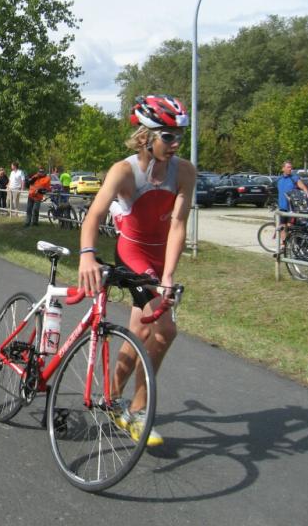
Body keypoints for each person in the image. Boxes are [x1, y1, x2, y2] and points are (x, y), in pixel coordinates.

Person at [78, 95, 196, 447]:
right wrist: (87, 256)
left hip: (160, 257)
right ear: (145, 136)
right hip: (132, 252)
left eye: (180, 136)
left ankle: (111, 397)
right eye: (168, 136)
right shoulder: (124, 171)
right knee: (165, 330)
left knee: (142, 330)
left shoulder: (185, 172)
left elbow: (178, 225)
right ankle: (139, 409)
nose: (176, 144)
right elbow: (94, 215)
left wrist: (168, 274)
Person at [276, 160, 308, 241]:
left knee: (290, 226)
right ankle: (283, 244)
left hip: (292, 208)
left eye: (291, 167)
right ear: (283, 168)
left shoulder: (294, 178)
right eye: (288, 167)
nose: (290, 169)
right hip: (282, 207)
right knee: (282, 226)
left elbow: (304, 188)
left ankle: (292, 242)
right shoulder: (279, 179)